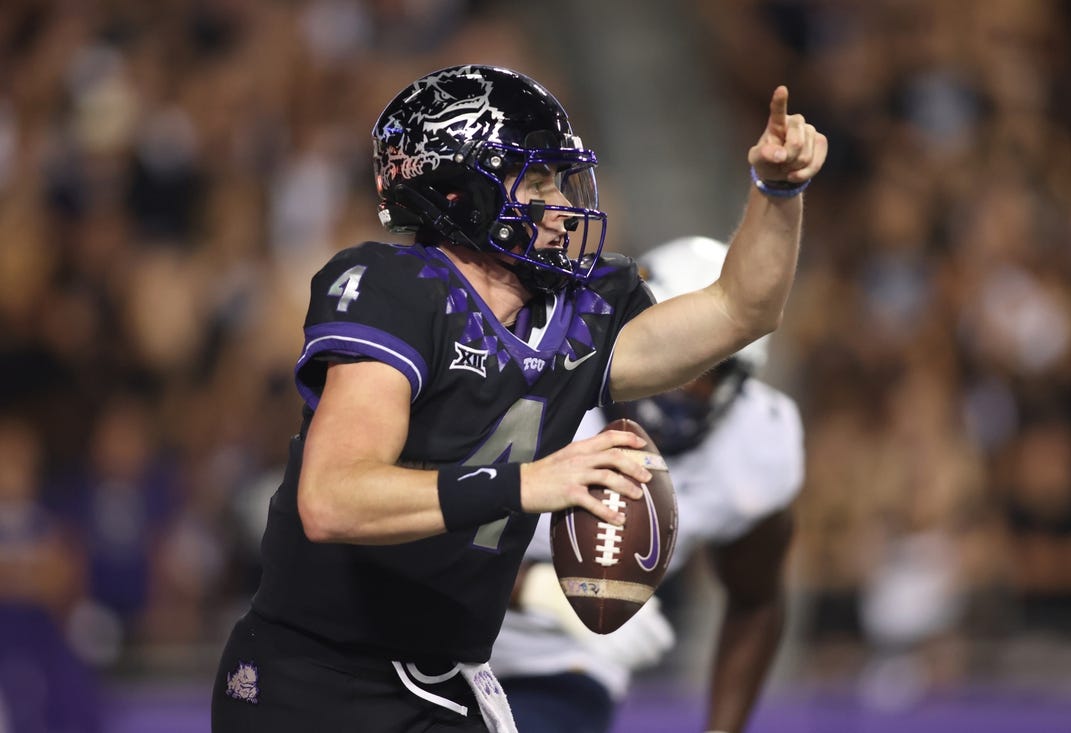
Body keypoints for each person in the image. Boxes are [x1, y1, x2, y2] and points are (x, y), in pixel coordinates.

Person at [211, 64, 826, 733]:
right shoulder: (399, 291)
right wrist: (528, 482)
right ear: (461, 190)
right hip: (313, 678)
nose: (560, 203)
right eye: (536, 180)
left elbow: (742, 310)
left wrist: (777, 191)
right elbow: (333, 499)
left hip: (445, 680)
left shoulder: (584, 312)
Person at [492, 236, 805, 733]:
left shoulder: (754, 447)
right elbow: (415, 524)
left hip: (560, 666)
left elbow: (756, 600)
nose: (682, 378)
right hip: (427, 620)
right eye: (672, 348)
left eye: (709, 368)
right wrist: (539, 589)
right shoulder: (536, 381)